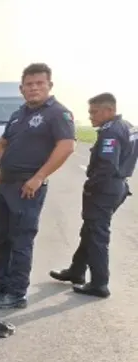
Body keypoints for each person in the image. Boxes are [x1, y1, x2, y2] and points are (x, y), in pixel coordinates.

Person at [0, 63, 76, 309]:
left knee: (21, 240)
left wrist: (39, 177)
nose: (34, 88)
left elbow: (66, 146)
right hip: (5, 183)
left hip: (27, 186)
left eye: (39, 83)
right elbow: (1, 145)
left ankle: (16, 292)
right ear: (22, 89)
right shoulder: (19, 113)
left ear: (49, 86)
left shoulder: (58, 114)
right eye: (29, 84)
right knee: (3, 239)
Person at [49, 93, 136, 298]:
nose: (90, 117)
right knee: (89, 230)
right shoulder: (128, 126)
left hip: (105, 188)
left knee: (97, 235)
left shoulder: (110, 132)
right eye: (89, 112)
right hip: (118, 186)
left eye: (95, 112)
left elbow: (106, 165)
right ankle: (76, 271)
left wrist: (91, 185)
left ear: (109, 111)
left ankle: (99, 283)